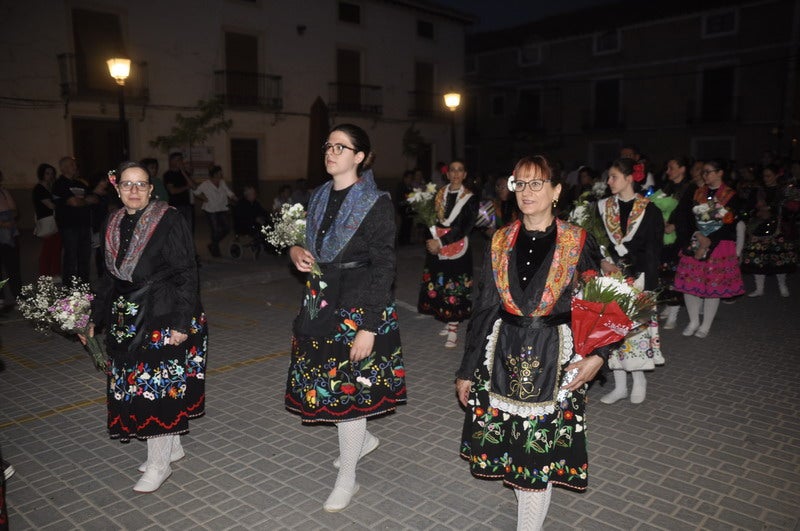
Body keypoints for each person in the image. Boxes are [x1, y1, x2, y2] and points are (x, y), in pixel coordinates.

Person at [456, 155, 608, 531]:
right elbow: (485, 307)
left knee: (536, 452)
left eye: (536, 183)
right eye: (519, 183)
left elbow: (599, 302)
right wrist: (466, 369)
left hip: (555, 354)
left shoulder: (577, 240)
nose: (526, 192)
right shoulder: (500, 239)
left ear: (556, 191)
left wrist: (598, 356)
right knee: (515, 446)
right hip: (504, 353)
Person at [285, 123, 406, 512]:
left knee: (349, 393)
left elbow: (385, 267)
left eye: (341, 146)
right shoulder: (318, 195)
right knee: (330, 384)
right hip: (321, 301)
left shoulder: (376, 201)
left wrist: (369, 326)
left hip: (358, 306)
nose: (331, 151)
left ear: (359, 156)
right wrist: (295, 251)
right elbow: (304, 239)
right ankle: (361, 442)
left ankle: (347, 478)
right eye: (328, 144)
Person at [81, 161, 207, 493]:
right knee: (134, 385)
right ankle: (171, 446)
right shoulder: (112, 221)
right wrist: (94, 316)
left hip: (163, 313)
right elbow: (108, 277)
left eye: (141, 184)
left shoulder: (169, 219)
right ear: (117, 188)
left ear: (152, 190)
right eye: (127, 184)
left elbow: (187, 272)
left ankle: (159, 464)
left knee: (156, 387)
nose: (134, 191)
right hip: (126, 316)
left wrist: (182, 322)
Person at [596, 158, 664, 404]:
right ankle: (620, 385)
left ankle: (639, 379)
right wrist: (603, 262)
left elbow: (655, 249)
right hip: (609, 278)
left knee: (635, 332)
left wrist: (645, 281)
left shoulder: (650, 210)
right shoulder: (602, 207)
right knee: (611, 332)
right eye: (609, 177)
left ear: (629, 178)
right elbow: (596, 240)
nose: (609, 181)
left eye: (614, 176)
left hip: (637, 279)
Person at [673, 159, 745, 337]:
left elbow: (729, 224)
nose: (705, 175)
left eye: (708, 171)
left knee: (713, 286)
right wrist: (698, 235)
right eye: (703, 172)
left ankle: (705, 325)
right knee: (690, 282)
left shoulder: (730, 195)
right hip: (696, 238)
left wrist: (709, 240)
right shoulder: (698, 193)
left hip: (719, 244)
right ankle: (693, 321)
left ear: (720, 173)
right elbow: (688, 219)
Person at [417, 159, 478, 348]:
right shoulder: (439, 194)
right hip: (437, 246)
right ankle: (446, 318)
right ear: (447, 173)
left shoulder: (470, 198)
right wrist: (431, 239)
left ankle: (453, 328)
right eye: (452, 170)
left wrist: (441, 241)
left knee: (454, 285)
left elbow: (464, 227)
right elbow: (431, 219)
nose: (456, 174)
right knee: (440, 282)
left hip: (457, 246)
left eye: (460, 170)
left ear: (465, 174)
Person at [741, 165, 798, 297]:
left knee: (779, 258)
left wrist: (773, 211)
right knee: (757, 257)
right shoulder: (758, 190)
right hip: (759, 227)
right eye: (764, 176)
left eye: (769, 176)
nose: (766, 179)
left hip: (778, 228)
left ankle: (782, 285)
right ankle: (759, 288)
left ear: (777, 175)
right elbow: (748, 207)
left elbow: (792, 208)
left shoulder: (784, 190)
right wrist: (757, 212)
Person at [652, 156, 695, 329]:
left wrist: (675, 225)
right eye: (667, 168)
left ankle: (674, 313)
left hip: (680, 236)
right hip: (664, 235)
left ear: (682, 169)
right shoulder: (668, 186)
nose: (668, 171)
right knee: (664, 274)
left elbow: (689, 213)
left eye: (672, 167)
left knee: (675, 275)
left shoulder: (690, 187)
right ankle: (669, 306)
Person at [53, 156, 97, 285]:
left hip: (84, 224)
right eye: (72, 165)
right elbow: (73, 202)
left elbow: (94, 198)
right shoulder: (59, 184)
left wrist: (82, 201)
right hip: (69, 226)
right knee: (71, 258)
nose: (75, 167)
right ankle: (69, 288)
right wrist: (84, 201)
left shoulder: (80, 183)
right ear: (63, 168)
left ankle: (84, 287)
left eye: (75, 165)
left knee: (84, 258)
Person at [194, 165, 237, 257]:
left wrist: (234, 197)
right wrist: (203, 198)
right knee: (215, 230)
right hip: (211, 209)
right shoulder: (206, 184)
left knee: (227, 228)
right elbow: (196, 192)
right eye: (219, 172)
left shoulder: (222, 182)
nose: (221, 174)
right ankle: (215, 249)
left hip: (222, 208)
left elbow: (228, 192)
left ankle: (213, 244)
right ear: (214, 174)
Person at [32, 163, 62, 277]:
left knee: (56, 248)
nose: (50, 176)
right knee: (48, 249)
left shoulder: (50, 187)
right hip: (46, 221)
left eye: (52, 173)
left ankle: (54, 273)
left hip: (54, 220)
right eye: (47, 173)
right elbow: (50, 205)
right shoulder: (39, 189)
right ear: (42, 174)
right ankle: (45, 274)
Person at [0, 170, 21, 305]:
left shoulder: (3, 191)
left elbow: (15, 209)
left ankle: (17, 294)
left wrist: (11, 218)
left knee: (13, 266)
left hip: (10, 232)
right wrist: (2, 223)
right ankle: (1, 297)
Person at [163, 152, 197, 232]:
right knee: (178, 229)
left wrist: (183, 171)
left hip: (187, 205)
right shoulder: (168, 174)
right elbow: (172, 191)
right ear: (172, 161)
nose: (181, 161)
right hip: (176, 206)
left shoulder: (184, 173)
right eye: (178, 160)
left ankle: (189, 244)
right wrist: (186, 187)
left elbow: (194, 186)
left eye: (181, 160)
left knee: (189, 228)